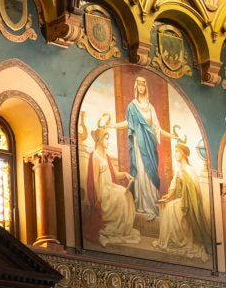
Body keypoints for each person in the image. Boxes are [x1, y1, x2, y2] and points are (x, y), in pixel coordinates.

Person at [111, 74, 170, 220]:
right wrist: (113, 125)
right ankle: (142, 206)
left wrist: (170, 135)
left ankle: (152, 206)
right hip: (138, 144)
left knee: (150, 172)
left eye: (144, 85)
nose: (142, 87)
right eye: (140, 85)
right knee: (141, 171)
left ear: (146, 88)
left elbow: (157, 127)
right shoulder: (132, 106)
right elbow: (127, 123)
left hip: (150, 145)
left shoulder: (150, 108)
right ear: (136, 87)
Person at [82, 114, 142, 247]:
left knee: (127, 194)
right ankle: (115, 228)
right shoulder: (95, 156)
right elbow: (96, 181)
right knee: (120, 196)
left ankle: (122, 229)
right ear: (99, 140)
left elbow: (115, 173)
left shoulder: (106, 156)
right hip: (103, 190)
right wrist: (98, 197)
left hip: (110, 186)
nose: (108, 141)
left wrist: (126, 174)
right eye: (106, 139)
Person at [151, 129, 209, 259]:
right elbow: (173, 187)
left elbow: (195, 191)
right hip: (181, 201)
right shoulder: (179, 171)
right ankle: (172, 240)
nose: (175, 154)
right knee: (168, 206)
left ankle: (182, 241)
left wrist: (188, 199)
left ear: (183, 153)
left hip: (188, 203)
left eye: (177, 152)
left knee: (172, 208)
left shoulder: (189, 170)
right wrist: (168, 196)